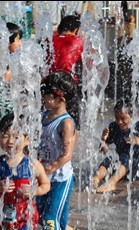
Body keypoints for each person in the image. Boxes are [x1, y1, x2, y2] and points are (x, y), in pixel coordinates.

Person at [34, 71, 82, 230]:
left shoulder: (66, 122)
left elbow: (66, 155)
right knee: (40, 214)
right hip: (44, 177)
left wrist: (48, 169)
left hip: (60, 179)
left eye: (46, 96)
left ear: (59, 98)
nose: (42, 98)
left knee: (50, 217)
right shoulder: (44, 115)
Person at [93, 99, 139, 193]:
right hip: (121, 167)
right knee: (109, 159)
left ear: (132, 115)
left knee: (126, 156)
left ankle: (112, 182)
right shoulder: (114, 126)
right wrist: (103, 139)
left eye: (122, 118)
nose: (119, 122)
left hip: (136, 168)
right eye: (117, 118)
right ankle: (94, 181)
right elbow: (104, 151)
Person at [47, 14, 83, 147]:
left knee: (45, 119)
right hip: (67, 89)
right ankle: (67, 155)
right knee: (75, 123)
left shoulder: (49, 40)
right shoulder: (78, 41)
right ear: (76, 30)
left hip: (47, 88)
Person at [0, 22, 22, 129]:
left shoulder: (12, 56)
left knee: (10, 129)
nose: (20, 43)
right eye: (18, 40)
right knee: (1, 129)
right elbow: (3, 78)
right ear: (9, 40)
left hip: (9, 101)